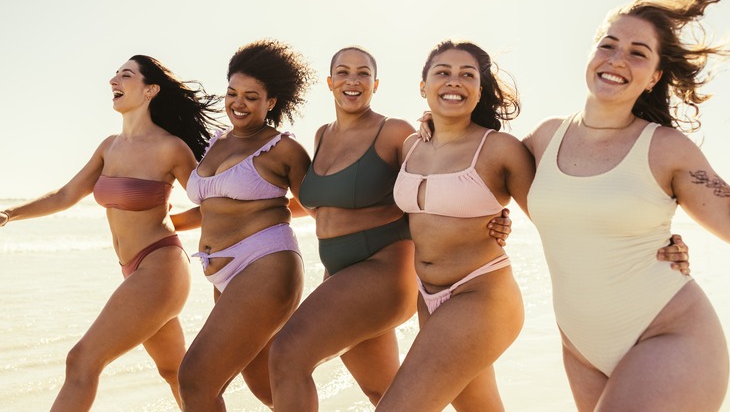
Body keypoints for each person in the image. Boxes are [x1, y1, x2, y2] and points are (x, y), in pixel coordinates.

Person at [522, 0, 730, 411]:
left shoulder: (663, 148)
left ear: (655, 76)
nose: (617, 59)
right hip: (581, 348)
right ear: (591, 53)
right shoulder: (544, 138)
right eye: (608, 45)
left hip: (669, 336)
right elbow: (485, 180)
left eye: (638, 52)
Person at [268, 46, 513, 411]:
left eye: (363, 73)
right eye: (344, 72)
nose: (353, 80)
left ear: (375, 84)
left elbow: (437, 174)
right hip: (338, 273)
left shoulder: (394, 131)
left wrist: (493, 216)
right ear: (330, 82)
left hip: (384, 268)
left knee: (287, 355)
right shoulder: (321, 136)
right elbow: (321, 203)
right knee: (384, 394)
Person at [0, 55, 222, 410]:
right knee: (176, 373)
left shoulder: (171, 148)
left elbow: (213, 207)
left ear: (150, 90)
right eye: (116, 74)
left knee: (81, 360)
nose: (113, 80)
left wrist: (170, 223)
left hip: (161, 268)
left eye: (126, 75)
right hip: (133, 269)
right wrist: (8, 213)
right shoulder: (109, 146)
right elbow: (64, 195)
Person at [173, 39, 315, 411]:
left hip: (265, 264)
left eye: (251, 96)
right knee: (266, 388)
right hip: (223, 272)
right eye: (232, 92)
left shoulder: (283, 149)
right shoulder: (218, 142)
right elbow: (216, 209)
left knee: (196, 379)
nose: (238, 103)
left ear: (272, 102)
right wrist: (164, 224)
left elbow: (317, 206)